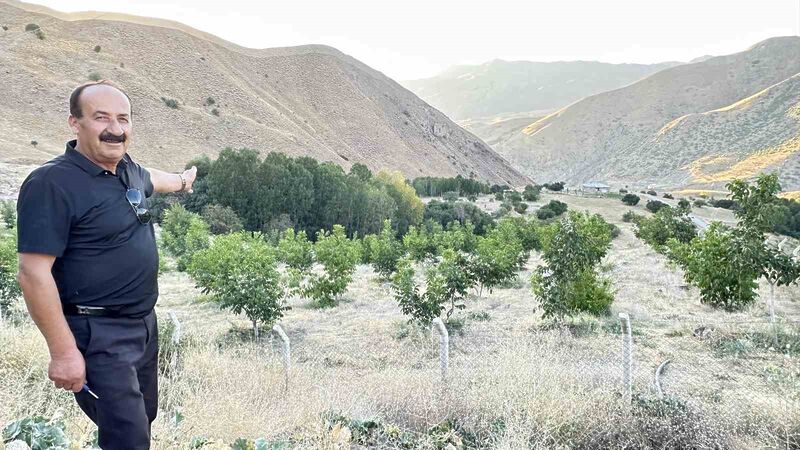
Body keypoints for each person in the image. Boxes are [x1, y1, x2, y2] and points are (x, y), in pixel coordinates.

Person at [16, 80, 197, 449]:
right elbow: (33, 273)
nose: (115, 129)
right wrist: (64, 352)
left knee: (141, 422)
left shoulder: (127, 169)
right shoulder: (51, 183)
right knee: (128, 438)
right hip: (96, 333)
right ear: (75, 122)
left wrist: (181, 182)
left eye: (123, 119)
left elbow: (152, 180)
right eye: (101, 118)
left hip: (143, 325)